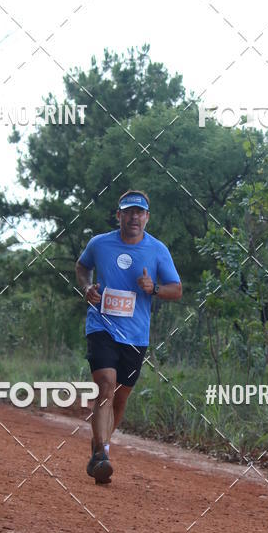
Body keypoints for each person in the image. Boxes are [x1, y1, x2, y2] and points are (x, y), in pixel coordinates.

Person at [75, 190, 182, 484]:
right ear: (119, 215)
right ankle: (101, 455)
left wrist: (154, 289)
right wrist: (86, 288)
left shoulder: (158, 250)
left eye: (140, 212)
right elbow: (82, 267)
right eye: (128, 211)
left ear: (146, 218)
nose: (134, 217)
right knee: (106, 386)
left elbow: (177, 289)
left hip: (135, 335)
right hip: (102, 326)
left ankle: (100, 447)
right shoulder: (99, 243)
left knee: (120, 398)